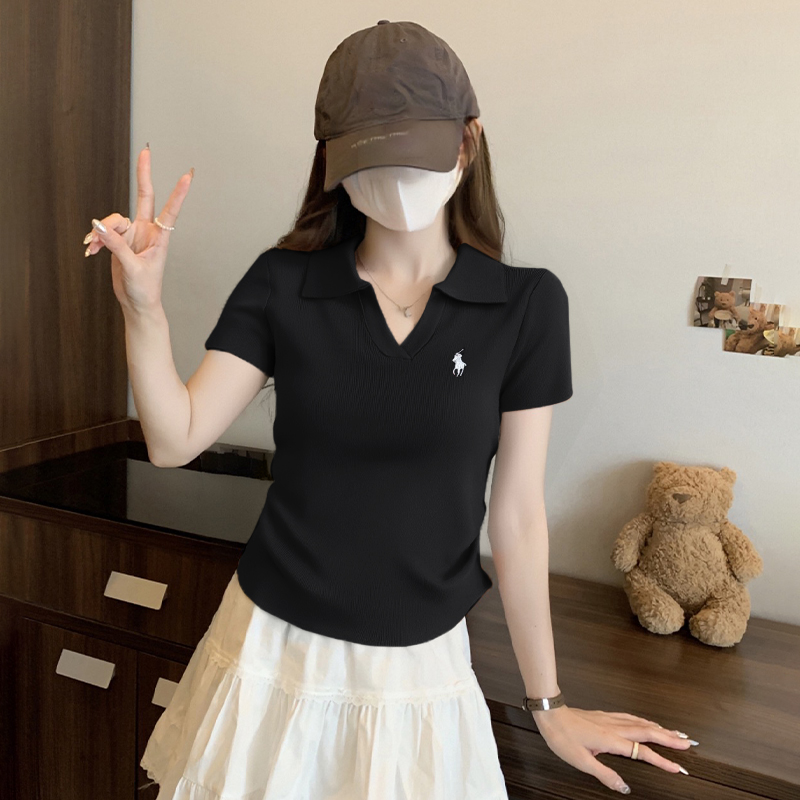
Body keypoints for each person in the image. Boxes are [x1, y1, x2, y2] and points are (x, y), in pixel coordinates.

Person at [84, 19, 698, 800]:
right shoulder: (283, 283)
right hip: (272, 646)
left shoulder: (526, 306)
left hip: (419, 665)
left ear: (468, 142)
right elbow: (174, 440)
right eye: (371, 157)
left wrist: (548, 704)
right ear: (334, 165)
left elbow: (516, 517)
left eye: (415, 150)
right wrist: (142, 308)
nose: (396, 177)